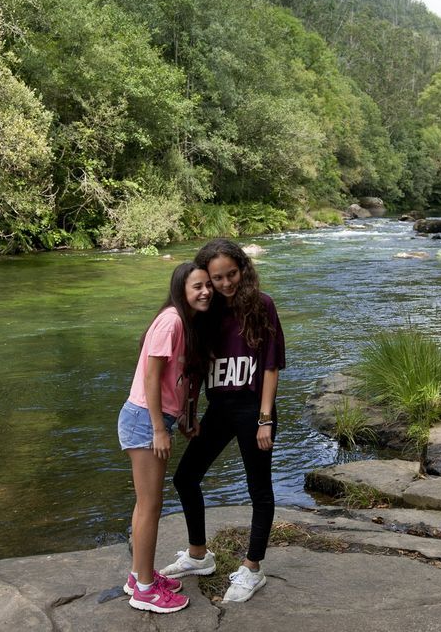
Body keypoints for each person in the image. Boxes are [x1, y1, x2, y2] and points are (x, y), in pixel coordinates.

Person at [160, 239, 286, 603]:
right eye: (217, 278)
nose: (226, 283)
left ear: (243, 269)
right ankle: (199, 556)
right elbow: (195, 366)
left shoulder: (262, 306)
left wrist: (265, 419)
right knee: (185, 477)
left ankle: (252, 568)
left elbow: (271, 365)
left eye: (232, 274)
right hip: (219, 409)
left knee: (258, 488)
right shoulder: (206, 310)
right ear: (206, 278)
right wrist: (190, 411)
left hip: (252, 410)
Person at [117, 262, 212, 614]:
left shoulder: (186, 323)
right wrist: (159, 428)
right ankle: (144, 590)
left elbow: (181, 378)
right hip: (144, 419)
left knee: (148, 504)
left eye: (207, 286)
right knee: (150, 506)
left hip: (155, 419)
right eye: (197, 286)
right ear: (181, 290)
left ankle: (138, 576)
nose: (205, 291)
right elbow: (151, 378)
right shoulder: (171, 321)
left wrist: (186, 417)